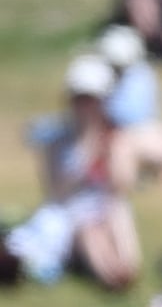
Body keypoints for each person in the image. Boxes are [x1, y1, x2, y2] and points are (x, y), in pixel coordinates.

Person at [1, 55, 140, 291]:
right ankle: (110, 277)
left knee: (116, 214)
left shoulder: (116, 138)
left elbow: (121, 185)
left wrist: (110, 150)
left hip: (107, 210)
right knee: (89, 230)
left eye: (91, 99)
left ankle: (125, 270)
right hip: (70, 215)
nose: (85, 106)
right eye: (80, 98)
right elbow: (56, 191)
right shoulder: (56, 139)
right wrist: (86, 148)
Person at [96, 23, 162, 192]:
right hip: (118, 132)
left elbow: (131, 113)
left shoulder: (141, 74)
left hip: (142, 128)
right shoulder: (101, 74)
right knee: (123, 156)